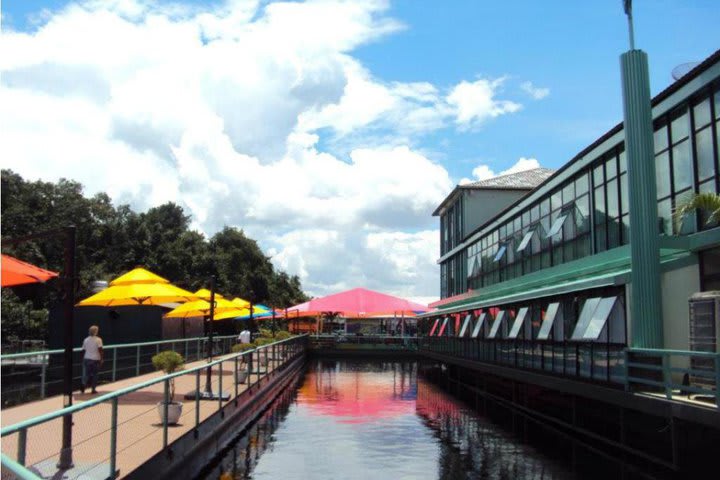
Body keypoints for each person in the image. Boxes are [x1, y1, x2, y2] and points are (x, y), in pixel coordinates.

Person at [81, 325, 103, 394]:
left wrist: (82, 358)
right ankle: (93, 389)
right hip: (95, 359)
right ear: (96, 331)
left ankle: (83, 385)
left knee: (86, 374)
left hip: (87, 358)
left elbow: (83, 350)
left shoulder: (86, 339)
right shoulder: (98, 339)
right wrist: (101, 359)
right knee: (95, 374)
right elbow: (100, 350)